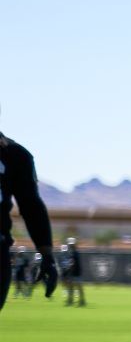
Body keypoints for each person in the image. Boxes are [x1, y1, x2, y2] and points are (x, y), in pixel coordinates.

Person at [0, 131, 56, 310]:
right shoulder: (13, 152)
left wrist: (46, 254)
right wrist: (46, 254)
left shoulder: (15, 154)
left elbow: (31, 206)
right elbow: (31, 207)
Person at [62, 237, 85, 307]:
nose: (71, 246)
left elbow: (72, 263)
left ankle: (81, 301)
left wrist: (68, 269)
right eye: (70, 244)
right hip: (73, 273)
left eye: (72, 244)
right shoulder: (72, 253)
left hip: (76, 272)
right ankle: (71, 301)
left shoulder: (75, 253)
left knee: (78, 287)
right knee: (72, 288)